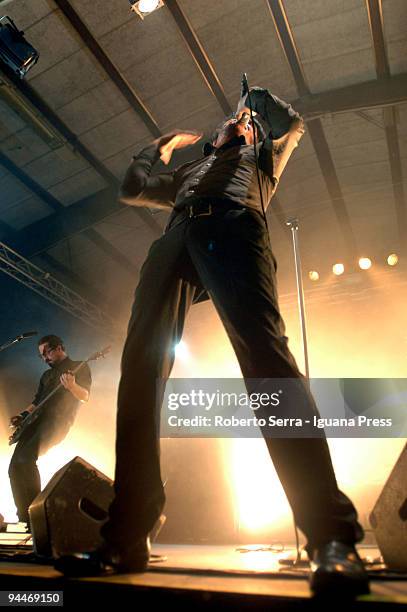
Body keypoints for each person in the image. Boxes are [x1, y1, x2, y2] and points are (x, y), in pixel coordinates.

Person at [56, 87, 369, 596]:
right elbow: (133, 188)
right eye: (234, 121)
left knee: (267, 360)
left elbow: (292, 124)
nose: (241, 124)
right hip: (174, 241)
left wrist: (256, 101)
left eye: (246, 124)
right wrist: (157, 147)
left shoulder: (262, 160)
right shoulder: (184, 176)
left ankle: (332, 538)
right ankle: (126, 537)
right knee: (139, 370)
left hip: (234, 225)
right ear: (214, 138)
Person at [8, 334, 92, 529]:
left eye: (46, 353)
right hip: (35, 423)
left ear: (59, 348)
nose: (45, 358)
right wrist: (22, 415)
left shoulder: (79, 366)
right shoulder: (46, 376)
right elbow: (37, 401)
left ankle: (38, 517)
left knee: (26, 460)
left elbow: (85, 396)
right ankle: (26, 517)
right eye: (41, 356)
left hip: (57, 422)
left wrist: (72, 386)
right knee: (14, 467)